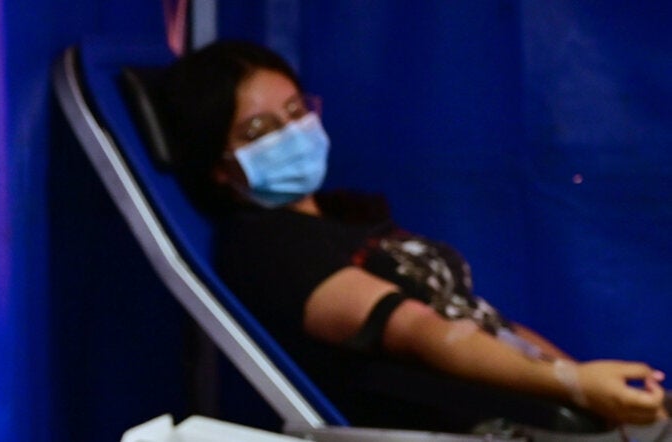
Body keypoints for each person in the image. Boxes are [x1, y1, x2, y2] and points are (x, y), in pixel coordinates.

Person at [162, 40, 667, 430]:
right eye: (258, 131)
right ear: (218, 166)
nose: (290, 133)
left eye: (295, 111)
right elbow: (419, 331)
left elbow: (485, 320)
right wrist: (573, 386)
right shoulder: (267, 246)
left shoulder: (347, 216)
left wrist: (592, 383)